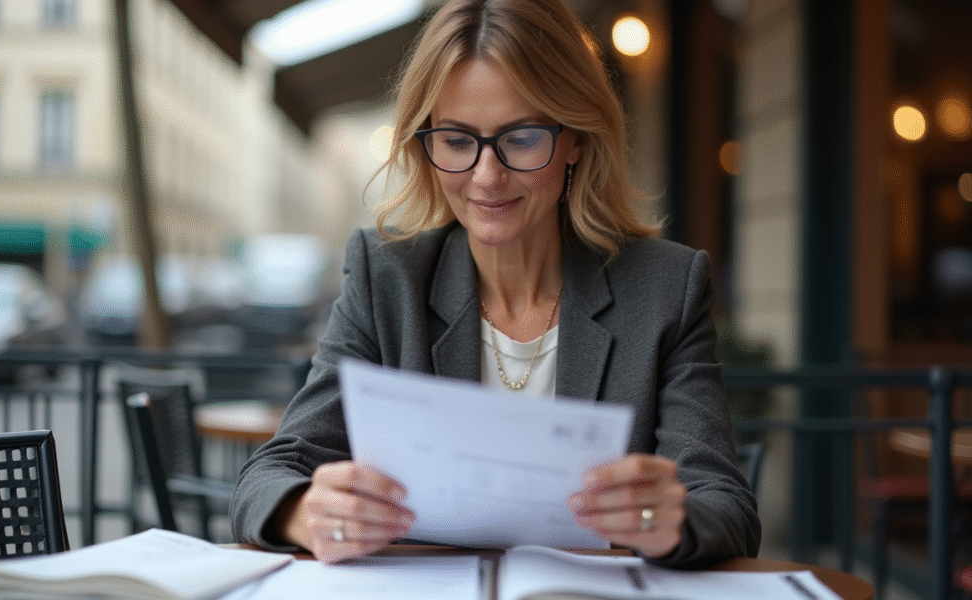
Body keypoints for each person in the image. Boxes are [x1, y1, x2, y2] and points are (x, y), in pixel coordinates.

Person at [231, 0, 761, 567]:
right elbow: (267, 476)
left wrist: (668, 521)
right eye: (458, 141)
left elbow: (726, 508)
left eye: (523, 138)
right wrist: (304, 511)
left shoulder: (664, 288)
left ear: (576, 139)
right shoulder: (386, 278)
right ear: (426, 146)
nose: (487, 176)